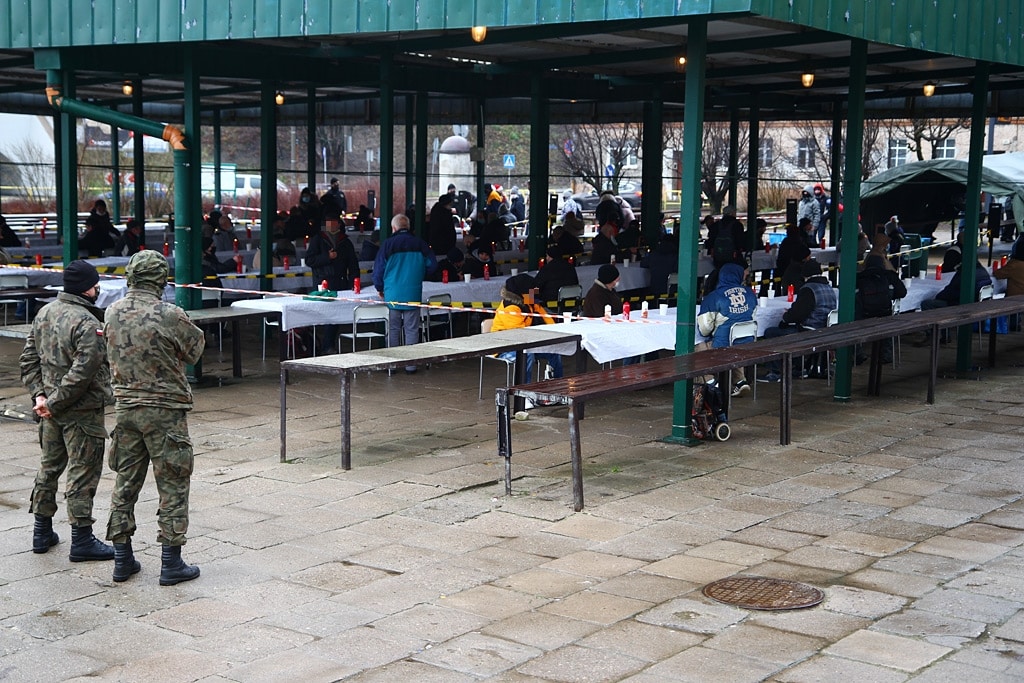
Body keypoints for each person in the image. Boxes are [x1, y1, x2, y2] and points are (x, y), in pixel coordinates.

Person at [103, 251, 206, 585]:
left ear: (131, 277)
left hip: (126, 409)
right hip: (165, 411)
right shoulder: (170, 313)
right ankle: (170, 562)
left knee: (125, 482)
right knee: (173, 482)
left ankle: (122, 558)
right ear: (161, 279)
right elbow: (194, 351)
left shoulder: (112, 311)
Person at [19, 260, 115, 561]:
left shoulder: (44, 313)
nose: (98, 289)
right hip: (81, 411)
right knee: (82, 472)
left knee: (49, 467)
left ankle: (41, 531)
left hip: (49, 410)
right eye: (96, 284)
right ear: (88, 287)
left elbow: (28, 360)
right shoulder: (88, 323)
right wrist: (53, 401)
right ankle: (82, 539)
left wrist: (41, 396)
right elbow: (83, 373)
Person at [372, 214, 436, 374]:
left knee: (393, 329)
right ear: (408, 226)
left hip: (392, 293)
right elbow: (432, 265)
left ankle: (392, 365)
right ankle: (411, 365)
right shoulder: (420, 244)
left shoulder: (387, 245)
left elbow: (378, 270)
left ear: (394, 228)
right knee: (412, 329)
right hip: (413, 292)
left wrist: (380, 287)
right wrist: (419, 273)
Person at [759, 259, 837, 382]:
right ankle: (797, 366)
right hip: (825, 330)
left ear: (805, 274)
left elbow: (797, 315)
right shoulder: (829, 288)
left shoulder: (808, 289)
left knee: (771, 332)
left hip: (810, 331)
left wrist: (785, 317)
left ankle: (776, 372)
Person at [490, 273, 564, 384]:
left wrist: (554, 330)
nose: (535, 293)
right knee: (526, 355)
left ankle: (558, 383)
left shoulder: (529, 302)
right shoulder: (510, 308)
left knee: (554, 351)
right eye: (532, 290)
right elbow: (519, 334)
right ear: (522, 292)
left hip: (527, 343)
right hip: (503, 346)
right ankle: (524, 392)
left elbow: (545, 317)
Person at [697, 262, 756, 397]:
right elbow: (752, 317)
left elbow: (704, 329)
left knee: (695, 348)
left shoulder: (714, 297)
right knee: (736, 346)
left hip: (722, 347)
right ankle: (740, 381)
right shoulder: (750, 294)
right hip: (748, 345)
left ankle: (711, 382)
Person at [853, 254, 907, 364]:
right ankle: (886, 354)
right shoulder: (889, 276)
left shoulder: (859, 277)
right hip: (884, 314)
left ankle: (858, 353)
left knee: (853, 317)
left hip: (864, 316)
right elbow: (902, 292)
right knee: (889, 320)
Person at [306, 209, 360, 292]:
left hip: (341, 284)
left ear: (339, 224)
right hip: (322, 284)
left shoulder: (345, 241)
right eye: (329, 222)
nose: (331, 225)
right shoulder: (317, 239)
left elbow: (353, 265)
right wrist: (327, 257)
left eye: (334, 222)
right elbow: (309, 260)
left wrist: (352, 284)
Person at [641, 233, 679, 297]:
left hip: (654, 288)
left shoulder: (653, 254)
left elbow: (643, 264)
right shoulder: (675, 256)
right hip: (672, 291)